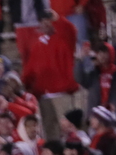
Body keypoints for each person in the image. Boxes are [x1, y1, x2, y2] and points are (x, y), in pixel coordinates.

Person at [21, 10, 81, 141]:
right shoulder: (37, 44)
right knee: (49, 133)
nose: (44, 24)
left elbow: (70, 29)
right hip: (43, 95)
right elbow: (30, 68)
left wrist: (58, 18)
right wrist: (25, 84)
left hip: (63, 93)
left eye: (47, 21)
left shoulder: (64, 39)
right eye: (42, 22)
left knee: (68, 131)